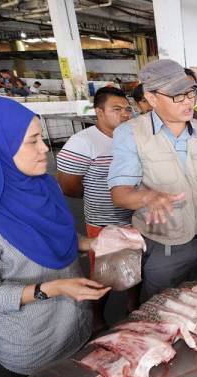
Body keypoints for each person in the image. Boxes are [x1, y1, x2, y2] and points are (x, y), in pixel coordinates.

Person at [0, 96, 109, 377]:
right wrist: (51, 289)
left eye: (42, 138)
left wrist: (94, 243)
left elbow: (59, 236)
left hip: (75, 323)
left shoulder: (44, 186)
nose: (45, 149)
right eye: (32, 141)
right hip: (32, 343)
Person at [108, 59, 197, 301]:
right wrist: (149, 197)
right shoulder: (131, 133)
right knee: (162, 312)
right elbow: (119, 194)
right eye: (177, 96)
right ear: (151, 98)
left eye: (190, 92)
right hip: (163, 247)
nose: (189, 101)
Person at [56, 87, 135, 330]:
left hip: (133, 216)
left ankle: (133, 309)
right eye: (116, 109)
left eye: (126, 109)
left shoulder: (131, 137)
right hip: (103, 220)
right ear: (99, 112)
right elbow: (68, 185)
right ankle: (97, 319)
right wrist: (102, 197)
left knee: (134, 267)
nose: (124, 114)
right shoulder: (83, 142)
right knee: (103, 273)